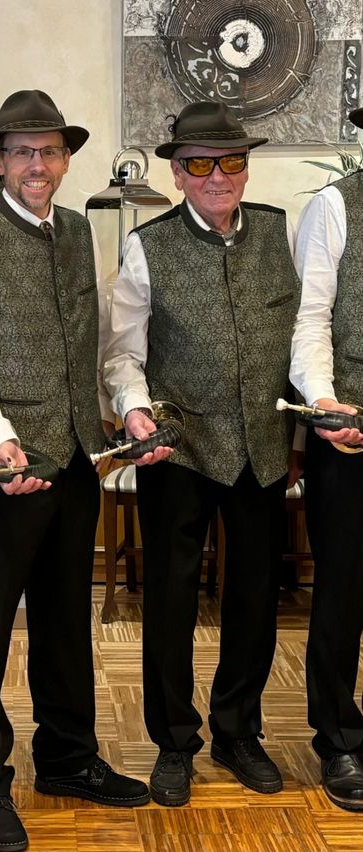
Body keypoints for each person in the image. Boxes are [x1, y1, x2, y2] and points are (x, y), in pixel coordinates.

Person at [0, 89, 149, 852]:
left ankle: (66, 758)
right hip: (7, 466)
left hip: (74, 458)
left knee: (66, 621)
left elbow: (89, 348)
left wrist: (120, 410)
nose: (38, 165)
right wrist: (0, 441)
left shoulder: (78, 231)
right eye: (23, 152)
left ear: (65, 160)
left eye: (50, 151)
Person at [104, 101, 299, 806]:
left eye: (232, 162)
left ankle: (239, 732)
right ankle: (173, 741)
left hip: (263, 445)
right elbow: (123, 354)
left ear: (246, 168)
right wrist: (134, 411)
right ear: (178, 173)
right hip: (178, 449)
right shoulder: (146, 246)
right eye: (200, 165)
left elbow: (300, 338)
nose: (218, 176)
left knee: (253, 594)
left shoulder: (280, 233)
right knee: (172, 599)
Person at [290, 105, 363, 811]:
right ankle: (340, 739)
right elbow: (311, 316)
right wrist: (324, 402)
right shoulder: (335, 206)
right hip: (350, 431)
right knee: (343, 589)